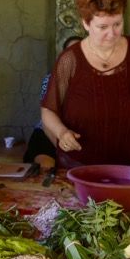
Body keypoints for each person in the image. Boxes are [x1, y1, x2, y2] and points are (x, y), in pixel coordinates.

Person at [41, 0, 130, 168]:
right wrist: (61, 132)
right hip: (80, 163)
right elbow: (48, 110)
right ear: (86, 23)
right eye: (102, 27)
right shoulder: (70, 60)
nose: (112, 34)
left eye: (117, 24)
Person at [23, 35, 84, 169]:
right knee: (46, 167)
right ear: (64, 56)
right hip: (48, 133)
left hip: (77, 135)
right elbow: (46, 118)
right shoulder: (52, 79)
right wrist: (60, 149)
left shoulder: (92, 81)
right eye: (71, 52)